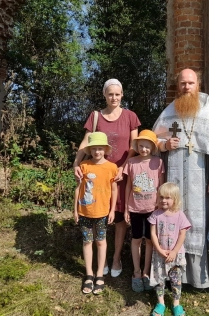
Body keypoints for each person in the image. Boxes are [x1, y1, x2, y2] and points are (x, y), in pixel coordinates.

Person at [152, 68, 209, 288]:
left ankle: (196, 279)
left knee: (195, 225)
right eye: (183, 83)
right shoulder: (168, 113)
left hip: (199, 180)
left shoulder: (207, 111)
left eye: (191, 83)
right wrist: (165, 144)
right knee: (171, 222)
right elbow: (150, 142)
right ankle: (171, 276)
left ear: (198, 85)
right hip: (174, 178)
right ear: (178, 86)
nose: (187, 87)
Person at [74, 79, 141, 278]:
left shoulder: (130, 116)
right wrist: (76, 163)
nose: (114, 98)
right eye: (110, 94)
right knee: (96, 214)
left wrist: (124, 167)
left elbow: (134, 145)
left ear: (122, 95)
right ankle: (98, 260)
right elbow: (86, 141)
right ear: (104, 95)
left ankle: (116, 258)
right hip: (97, 176)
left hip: (120, 174)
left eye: (117, 94)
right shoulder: (96, 117)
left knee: (119, 219)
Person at [74, 132, 118, 295]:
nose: (97, 152)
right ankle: (89, 275)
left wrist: (112, 210)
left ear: (105, 150)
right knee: (87, 242)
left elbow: (114, 190)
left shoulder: (112, 167)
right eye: (94, 149)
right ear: (90, 150)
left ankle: (100, 274)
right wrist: (75, 210)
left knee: (101, 242)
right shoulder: (84, 166)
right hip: (84, 212)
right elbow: (78, 189)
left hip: (102, 213)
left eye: (100, 149)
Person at [123, 129, 165, 292]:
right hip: (135, 209)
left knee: (149, 240)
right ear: (137, 146)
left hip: (152, 209)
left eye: (147, 147)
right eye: (141, 146)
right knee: (136, 239)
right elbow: (128, 186)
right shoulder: (132, 162)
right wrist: (127, 207)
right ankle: (136, 272)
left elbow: (161, 186)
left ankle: (147, 272)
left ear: (153, 148)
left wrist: (160, 207)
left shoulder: (158, 162)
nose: (144, 149)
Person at [148, 182, 191, 316]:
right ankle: (160, 303)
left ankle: (176, 304)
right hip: (159, 254)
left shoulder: (180, 215)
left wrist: (174, 251)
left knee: (175, 280)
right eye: (161, 197)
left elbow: (182, 235)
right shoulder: (155, 215)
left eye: (167, 197)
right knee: (159, 279)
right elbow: (153, 234)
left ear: (175, 199)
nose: (163, 200)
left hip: (175, 255)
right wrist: (160, 250)